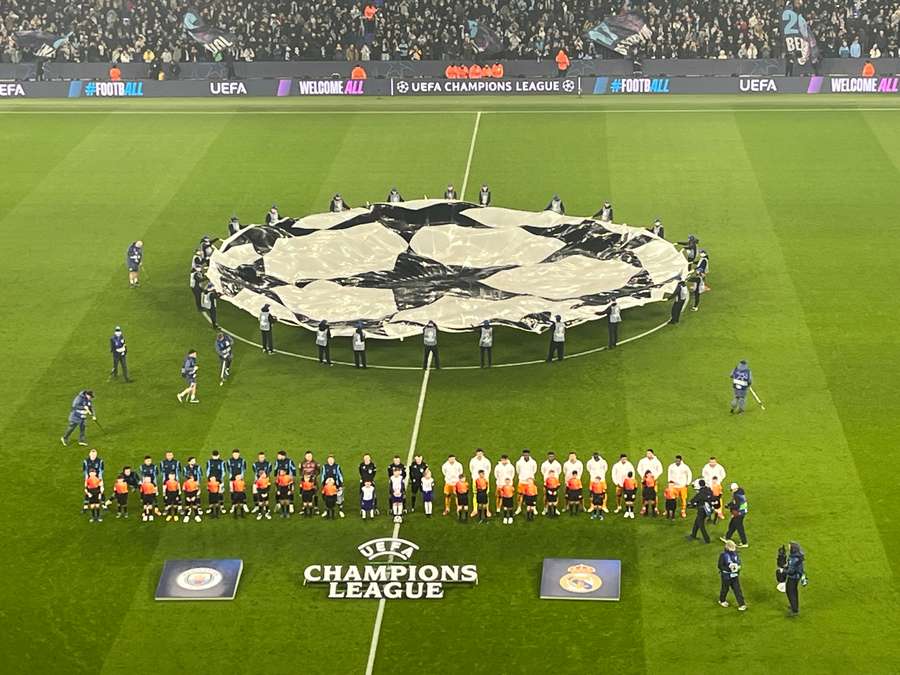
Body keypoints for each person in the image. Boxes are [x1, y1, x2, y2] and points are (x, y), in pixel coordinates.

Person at [718, 540, 747, 610]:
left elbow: (738, 562)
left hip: (735, 576)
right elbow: (720, 566)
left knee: (737, 590)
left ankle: (742, 604)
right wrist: (729, 569)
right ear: (728, 548)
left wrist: (738, 567)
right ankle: (722, 600)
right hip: (726, 577)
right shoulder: (723, 555)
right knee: (725, 589)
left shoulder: (735, 554)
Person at [636, 449, 663, 514]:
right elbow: (638, 469)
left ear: (652, 454)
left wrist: (655, 477)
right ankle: (644, 508)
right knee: (644, 495)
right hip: (644, 481)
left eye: (649, 453)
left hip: (654, 481)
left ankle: (655, 508)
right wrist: (643, 476)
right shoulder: (642, 461)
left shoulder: (657, 461)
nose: (648, 455)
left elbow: (660, 470)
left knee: (655, 494)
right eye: (647, 453)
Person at [785, 542, 807, 616]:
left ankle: (794, 610)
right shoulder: (797, 556)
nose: (788, 548)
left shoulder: (794, 559)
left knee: (790, 592)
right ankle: (794, 606)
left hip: (793, 578)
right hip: (797, 577)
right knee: (794, 591)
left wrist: (783, 571)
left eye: (789, 547)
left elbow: (791, 571)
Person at [468, 449, 491, 517]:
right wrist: (475, 477)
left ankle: (487, 510)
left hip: (485, 480)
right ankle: (475, 510)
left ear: (483, 453)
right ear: (476, 454)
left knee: (486, 495)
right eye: (478, 453)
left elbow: (488, 470)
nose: (479, 455)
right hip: (475, 480)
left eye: (480, 453)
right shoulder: (472, 460)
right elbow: (471, 469)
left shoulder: (486, 461)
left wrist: (484, 478)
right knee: (475, 494)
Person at [514, 449, 538, 514]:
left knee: (532, 495)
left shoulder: (533, 462)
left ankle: (533, 508)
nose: (526, 456)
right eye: (525, 455)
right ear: (523, 455)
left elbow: (534, 470)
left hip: (530, 482)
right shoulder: (519, 462)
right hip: (522, 481)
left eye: (527, 454)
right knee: (520, 495)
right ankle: (519, 508)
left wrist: (530, 478)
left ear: (529, 455)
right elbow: (518, 471)